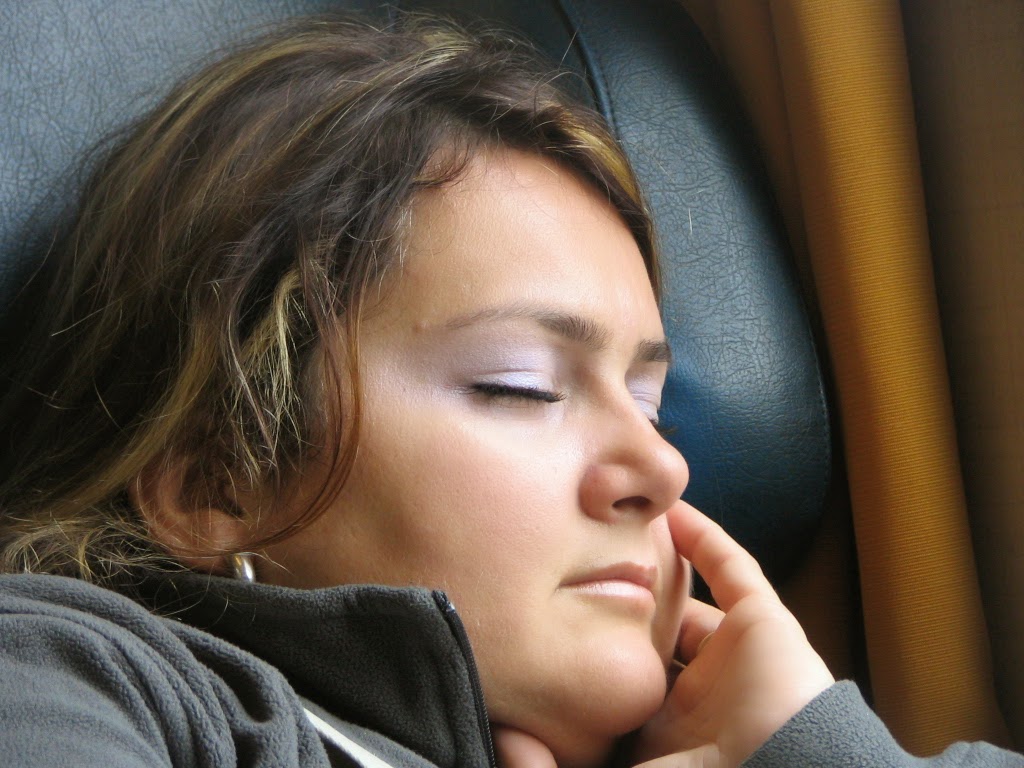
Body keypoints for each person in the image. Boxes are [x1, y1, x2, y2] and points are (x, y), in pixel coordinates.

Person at [0, 14, 1019, 768]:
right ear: (217, 479)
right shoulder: (74, 675)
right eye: (521, 387)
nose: (663, 468)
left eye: (650, 404)